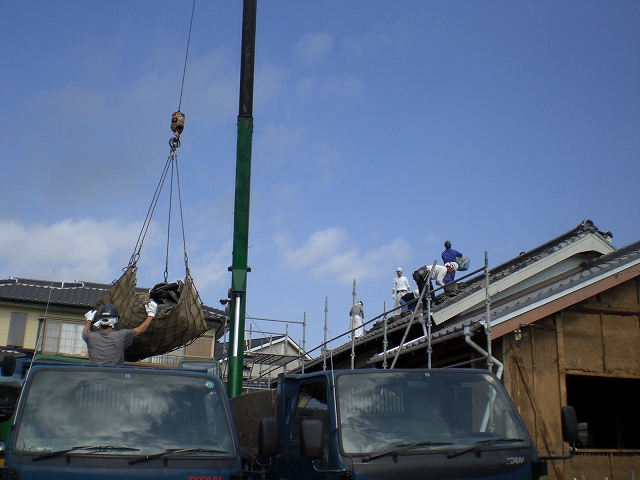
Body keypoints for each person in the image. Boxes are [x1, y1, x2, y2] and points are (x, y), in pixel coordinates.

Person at [82, 301, 157, 365]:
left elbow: (85, 333)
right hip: (114, 378)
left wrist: (89, 320)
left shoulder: (91, 337)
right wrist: (151, 314)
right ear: (115, 321)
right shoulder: (120, 335)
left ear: (100, 321)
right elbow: (141, 329)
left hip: (94, 378)